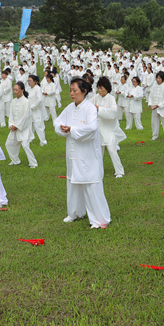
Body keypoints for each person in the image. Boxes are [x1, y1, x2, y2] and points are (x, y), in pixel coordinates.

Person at [56, 77, 111, 228]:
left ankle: (100, 219)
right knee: (73, 182)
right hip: (73, 153)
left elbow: (92, 128)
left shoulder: (90, 108)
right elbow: (57, 121)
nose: (71, 94)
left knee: (91, 184)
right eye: (70, 91)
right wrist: (62, 128)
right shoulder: (69, 107)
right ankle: (74, 212)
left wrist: (72, 130)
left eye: (75, 91)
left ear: (84, 91)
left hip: (87, 155)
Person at [94, 76, 126, 178]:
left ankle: (119, 171)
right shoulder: (95, 97)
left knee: (112, 150)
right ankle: (98, 171)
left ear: (107, 88)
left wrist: (100, 109)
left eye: (102, 88)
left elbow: (113, 113)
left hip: (109, 129)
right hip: (99, 128)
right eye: (98, 88)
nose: (100, 90)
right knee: (99, 152)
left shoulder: (111, 98)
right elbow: (88, 106)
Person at [6, 82, 38, 168]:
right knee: (8, 144)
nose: (15, 91)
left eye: (16, 90)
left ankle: (33, 163)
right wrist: (11, 125)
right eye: (14, 90)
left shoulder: (26, 102)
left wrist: (17, 126)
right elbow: (11, 115)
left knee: (25, 145)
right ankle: (15, 160)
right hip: (14, 128)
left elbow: (25, 116)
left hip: (24, 128)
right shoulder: (13, 101)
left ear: (22, 90)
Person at [148, 71, 164, 141]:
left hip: (162, 108)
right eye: (157, 78)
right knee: (154, 122)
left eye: (159, 78)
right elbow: (150, 96)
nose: (158, 79)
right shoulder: (154, 86)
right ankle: (155, 135)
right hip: (154, 108)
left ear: (162, 79)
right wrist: (150, 104)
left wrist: (159, 105)